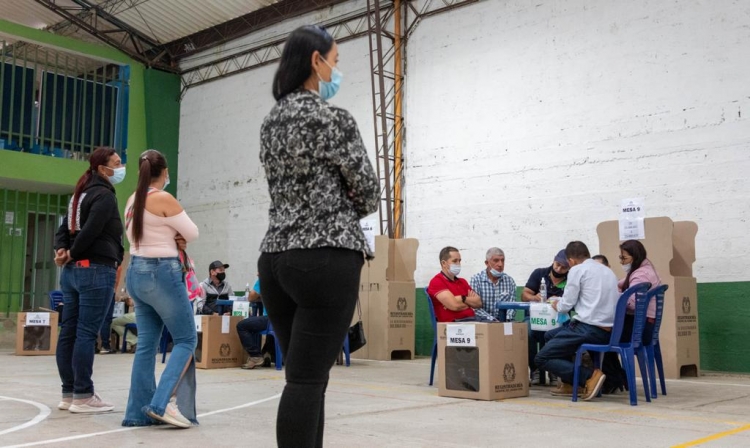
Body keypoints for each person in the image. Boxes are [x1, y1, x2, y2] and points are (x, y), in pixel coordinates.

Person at [257, 25, 380, 448]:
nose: (335, 70)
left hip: (275, 257)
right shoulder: (333, 118)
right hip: (326, 256)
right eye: (335, 61)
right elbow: (367, 193)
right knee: (308, 380)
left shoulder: (270, 122)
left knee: (304, 377)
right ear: (316, 60)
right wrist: (341, 195)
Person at [122, 149, 200, 428]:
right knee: (186, 339)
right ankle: (161, 402)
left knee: (146, 345)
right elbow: (192, 232)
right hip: (162, 272)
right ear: (164, 172)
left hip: (136, 272)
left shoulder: (132, 200)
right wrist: (176, 235)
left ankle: (136, 414)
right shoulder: (163, 198)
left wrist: (171, 233)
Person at [53, 146, 125, 413]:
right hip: (95, 270)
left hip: (72, 273)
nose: (121, 167)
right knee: (85, 333)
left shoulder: (79, 195)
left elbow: (63, 229)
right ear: (102, 168)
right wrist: (70, 251)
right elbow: (92, 231)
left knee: (69, 331)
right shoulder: (103, 195)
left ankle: (69, 393)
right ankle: (83, 395)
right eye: (117, 163)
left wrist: (62, 250)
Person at [535, 241, 620, 400]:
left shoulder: (577, 270)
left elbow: (566, 305)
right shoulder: (608, 271)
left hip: (588, 329)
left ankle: (589, 376)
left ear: (571, 261)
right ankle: (570, 383)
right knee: (550, 336)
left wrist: (556, 304)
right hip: (609, 331)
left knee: (542, 358)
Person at [601, 240, 662, 393]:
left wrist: (617, 297)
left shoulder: (641, 275)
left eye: (624, 258)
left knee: (600, 336)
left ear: (635, 257)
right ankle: (618, 377)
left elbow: (633, 304)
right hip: (646, 325)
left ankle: (614, 379)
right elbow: (621, 284)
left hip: (640, 329)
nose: (621, 261)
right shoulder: (643, 268)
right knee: (604, 334)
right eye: (620, 257)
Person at [522, 249, 569, 386]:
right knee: (526, 331)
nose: (559, 269)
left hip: (558, 319)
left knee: (558, 333)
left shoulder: (570, 280)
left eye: (563, 267)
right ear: (554, 260)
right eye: (557, 264)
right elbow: (524, 295)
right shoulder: (539, 273)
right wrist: (534, 297)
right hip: (536, 317)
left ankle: (554, 369)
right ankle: (535, 369)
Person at [428, 246, 482, 322]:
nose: (458, 264)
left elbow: (478, 303)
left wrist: (462, 299)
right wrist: (469, 303)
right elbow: (455, 305)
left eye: (459, 261)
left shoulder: (462, 281)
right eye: (455, 261)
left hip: (472, 320)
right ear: (444, 263)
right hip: (454, 325)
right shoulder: (437, 281)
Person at [236, 277, 275, 369]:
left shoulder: (264, 279)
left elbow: (251, 297)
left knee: (242, 326)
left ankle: (255, 355)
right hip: (289, 320)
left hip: (271, 319)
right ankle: (267, 353)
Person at [469, 247, 517, 321]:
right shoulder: (476, 280)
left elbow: (512, 306)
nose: (500, 264)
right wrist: (493, 321)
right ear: (487, 263)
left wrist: (506, 321)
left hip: (505, 321)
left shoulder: (509, 281)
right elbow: (475, 308)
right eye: (496, 260)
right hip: (483, 322)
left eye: (502, 260)